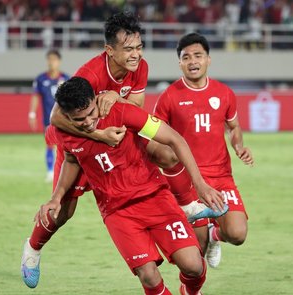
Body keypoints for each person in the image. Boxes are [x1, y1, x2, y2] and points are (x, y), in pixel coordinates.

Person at [21, 12, 227, 289]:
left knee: (167, 153)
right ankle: (33, 249)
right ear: (109, 50)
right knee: (63, 212)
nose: (136, 55)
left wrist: (117, 98)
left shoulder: (140, 67)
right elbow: (58, 120)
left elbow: (137, 105)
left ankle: (187, 203)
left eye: (139, 47)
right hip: (85, 145)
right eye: (128, 49)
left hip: (119, 135)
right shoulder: (90, 75)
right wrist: (98, 134)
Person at [39, 77, 223, 294]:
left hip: (155, 197)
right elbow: (71, 160)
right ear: (67, 117)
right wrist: (56, 196)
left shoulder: (124, 113)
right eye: (79, 119)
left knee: (193, 265)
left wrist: (200, 185)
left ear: (95, 100)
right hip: (118, 212)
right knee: (149, 276)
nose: (89, 122)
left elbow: (175, 139)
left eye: (91, 113)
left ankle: (190, 290)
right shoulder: (66, 132)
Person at [153, 33, 254, 268]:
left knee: (238, 234)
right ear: (180, 63)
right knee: (196, 253)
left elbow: (234, 127)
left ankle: (215, 235)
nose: (192, 61)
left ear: (208, 59)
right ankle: (190, 286)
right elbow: (155, 138)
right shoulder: (168, 97)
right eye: (186, 57)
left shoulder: (224, 93)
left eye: (198, 55)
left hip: (221, 177)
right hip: (188, 180)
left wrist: (239, 146)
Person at [29, 49, 69, 182]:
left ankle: (66, 172)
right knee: (50, 144)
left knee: (66, 146)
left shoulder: (66, 79)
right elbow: (35, 96)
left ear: (59, 61)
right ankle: (50, 172)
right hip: (49, 118)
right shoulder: (41, 79)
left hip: (65, 119)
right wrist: (32, 114)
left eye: (54, 59)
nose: (52, 62)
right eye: (49, 59)